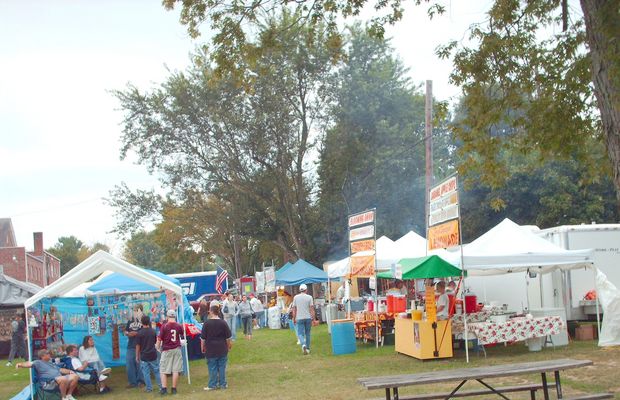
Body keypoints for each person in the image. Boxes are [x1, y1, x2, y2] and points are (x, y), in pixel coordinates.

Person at [201, 304, 232, 391]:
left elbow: (203, 338)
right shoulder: (223, 323)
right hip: (222, 348)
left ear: (211, 312)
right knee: (222, 367)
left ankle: (212, 385)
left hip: (211, 349)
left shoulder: (207, 323)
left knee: (212, 367)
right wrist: (229, 346)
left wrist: (202, 347)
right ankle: (223, 384)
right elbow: (228, 338)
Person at [157, 309, 185, 395]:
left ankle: (164, 389)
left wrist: (158, 347)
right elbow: (182, 334)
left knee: (163, 370)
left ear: (167, 316)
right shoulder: (179, 326)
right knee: (176, 370)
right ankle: (174, 389)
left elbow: (159, 339)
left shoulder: (164, 326)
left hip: (167, 349)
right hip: (176, 349)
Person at [135, 315, 162, 393]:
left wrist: (137, 356)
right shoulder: (153, 331)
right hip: (153, 354)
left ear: (141, 322)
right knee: (156, 371)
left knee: (146, 373)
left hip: (144, 356)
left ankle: (149, 388)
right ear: (149, 321)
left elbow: (137, 346)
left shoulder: (139, 333)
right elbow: (155, 342)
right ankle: (161, 387)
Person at [124, 304, 145, 388]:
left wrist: (137, 333)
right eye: (134, 310)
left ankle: (141, 381)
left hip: (141, 345)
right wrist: (128, 333)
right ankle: (132, 382)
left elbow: (147, 330)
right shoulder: (130, 320)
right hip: (131, 345)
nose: (134, 312)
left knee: (140, 364)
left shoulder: (144, 319)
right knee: (129, 364)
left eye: (136, 310)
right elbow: (125, 331)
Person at [291, 283, 315, 355]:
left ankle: (303, 344)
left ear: (300, 290)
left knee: (300, 333)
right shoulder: (309, 297)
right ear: (306, 290)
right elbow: (311, 309)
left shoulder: (295, 297)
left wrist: (294, 318)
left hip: (299, 318)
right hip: (308, 317)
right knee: (308, 333)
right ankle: (307, 348)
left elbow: (294, 309)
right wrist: (313, 319)